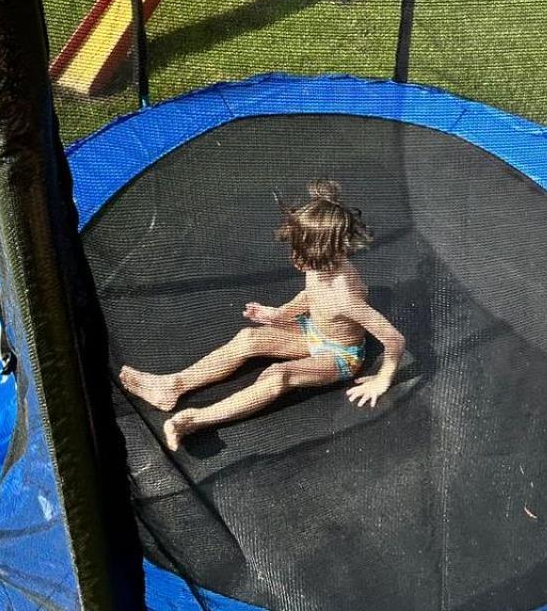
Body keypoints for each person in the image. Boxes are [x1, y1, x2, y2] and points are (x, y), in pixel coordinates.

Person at [119, 179, 406, 451]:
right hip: (314, 331)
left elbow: (394, 339)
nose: (295, 259)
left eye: (302, 253)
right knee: (248, 338)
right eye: (296, 249)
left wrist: (383, 378)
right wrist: (279, 314)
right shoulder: (322, 266)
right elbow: (310, 296)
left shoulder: (345, 296)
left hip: (340, 355)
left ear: (326, 251)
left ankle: (195, 420)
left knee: (278, 375)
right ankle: (172, 386)